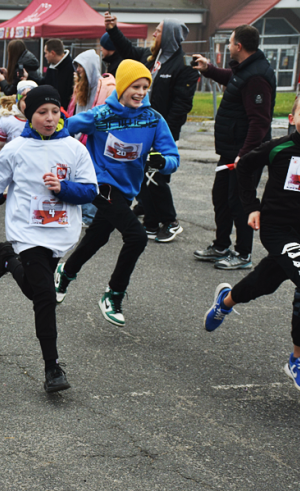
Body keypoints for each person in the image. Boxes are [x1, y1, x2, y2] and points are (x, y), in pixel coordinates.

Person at [0, 85, 98, 393]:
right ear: (30, 114)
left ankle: (7, 259)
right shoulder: (15, 149)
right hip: (27, 233)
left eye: (55, 111)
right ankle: (52, 368)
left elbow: (90, 190)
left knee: (35, 290)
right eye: (42, 112)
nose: (50, 117)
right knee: (44, 297)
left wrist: (63, 188)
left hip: (61, 232)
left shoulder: (74, 148)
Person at [54, 60, 179, 327]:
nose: (141, 92)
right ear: (122, 86)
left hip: (127, 189)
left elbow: (172, 157)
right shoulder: (100, 116)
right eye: (135, 86)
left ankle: (66, 272)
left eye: (145, 87)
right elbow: (66, 126)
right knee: (136, 237)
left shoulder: (153, 120)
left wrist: (161, 162)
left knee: (98, 237)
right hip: (100, 184)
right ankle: (113, 294)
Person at [203, 91, 300, 393]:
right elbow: (246, 167)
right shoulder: (279, 148)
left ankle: (225, 301)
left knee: (266, 281)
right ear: (291, 119)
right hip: (279, 229)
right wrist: (251, 205)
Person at [105, 14, 199, 243]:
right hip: (142, 129)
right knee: (142, 171)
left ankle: (170, 222)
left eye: (158, 31)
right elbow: (128, 50)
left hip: (160, 132)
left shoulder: (183, 66)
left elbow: (181, 106)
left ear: (168, 36)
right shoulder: (151, 57)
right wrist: (113, 29)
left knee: (156, 176)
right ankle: (150, 215)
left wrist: (165, 133)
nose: (154, 34)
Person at [192, 25, 275, 270]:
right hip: (231, 151)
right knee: (221, 198)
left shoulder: (257, 76)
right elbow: (232, 79)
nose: (228, 46)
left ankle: (243, 254)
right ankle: (221, 246)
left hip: (244, 154)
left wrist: (244, 155)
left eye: (229, 42)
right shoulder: (245, 70)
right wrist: (208, 70)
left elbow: (260, 122)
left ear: (238, 46)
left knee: (240, 202)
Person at [68, 49, 102, 226]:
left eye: (81, 66)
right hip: (79, 137)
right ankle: (82, 213)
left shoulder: (100, 88)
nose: (78, 70)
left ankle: (89, 216)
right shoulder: (82, 87)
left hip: (90, 139)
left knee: (89, 177)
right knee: (78, 175)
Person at [0, 80, 36, 177]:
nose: (29, 104)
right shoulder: (8, 120)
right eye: (25, 100)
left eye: (33, 101)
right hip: (12, 171)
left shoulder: (43, 121)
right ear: (18, 102)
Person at [41, 39, 74, 109]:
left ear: (53, 53)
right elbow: (45, 83)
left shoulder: (71, 68)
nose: (45, 56)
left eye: (46, 53)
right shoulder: (52, 66)